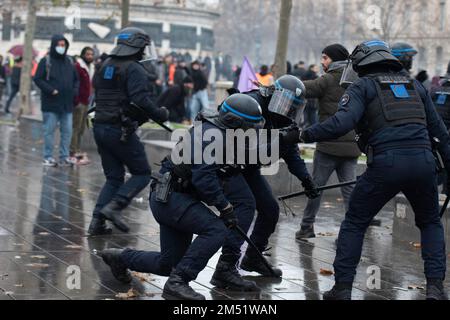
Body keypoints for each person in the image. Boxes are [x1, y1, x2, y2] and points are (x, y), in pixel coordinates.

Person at [294, 40, 449, 300]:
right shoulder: (416, 86)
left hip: (386, 165)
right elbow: (441, 134)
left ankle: (342, 289)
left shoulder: (363, 86)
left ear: (363, 62)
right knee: (430, 223)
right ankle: (435, 287)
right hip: (423, 164)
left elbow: (340, 123)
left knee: (355, 222)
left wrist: (303, 134)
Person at [99, 94, 265, 300]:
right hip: (171, 198)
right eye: (248, 128)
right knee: (216, 230)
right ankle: (178, 283)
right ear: (235, 123)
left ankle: (120, 257)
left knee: (168, 264)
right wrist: (225, 208)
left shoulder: (221, 132)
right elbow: (204, 178)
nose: (250, 133)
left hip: (172, 197)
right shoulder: (212, 136)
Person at [211, 75, 319, 283]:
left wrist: (306, 180)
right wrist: (280, 141)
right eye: (286, 103)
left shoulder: (285, 119)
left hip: (248, 168)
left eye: (293, 107)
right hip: (227, 164)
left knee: (270, 209)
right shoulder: (251, 104)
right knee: (245, 205)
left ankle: (253, 258)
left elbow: (290, 150)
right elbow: (246, 150)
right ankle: (225, 267)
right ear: (273, 93)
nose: (287, 110)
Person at [87, 27, 169, 236]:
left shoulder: (105, 64)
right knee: (141, 173)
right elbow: (140, 99)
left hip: (100, 126)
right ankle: (115, 207)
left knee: (114, 177)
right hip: (119, 129)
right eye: (142, 47)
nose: (143, 52)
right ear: (136, 47)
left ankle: (97, 223)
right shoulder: (133, 68)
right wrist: (160, 113)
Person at [295, 44, 361, 240]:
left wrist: (281, 84)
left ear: (334, 59)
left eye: (325, 58)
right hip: (351, 148)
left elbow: (305, 88)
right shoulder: (356, 79)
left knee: (316, 188)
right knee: (350, 190)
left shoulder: (329, 78)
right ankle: (354, 229)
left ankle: (307, 227)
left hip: (328, 147)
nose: (322, 62)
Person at [34, 35, 79, 167]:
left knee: (67, 131)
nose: (61, 47)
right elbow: (38, 79)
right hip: (51, 104)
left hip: (67, 104)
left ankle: (64, 156)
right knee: (49, 131)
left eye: (63, 45)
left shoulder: (69, 61)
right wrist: (51, 90)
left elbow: (76, 80)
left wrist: (74, 91)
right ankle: (47, 156)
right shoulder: (45, 61)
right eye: (59, 44)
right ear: (54, 45)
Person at [70, 47, 95, 165]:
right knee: (76, 127)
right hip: (79, 101)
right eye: (88, 54)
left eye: (91, 54)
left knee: (81, 128)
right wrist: (75, 100)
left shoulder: (91, 67)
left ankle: (77, 149)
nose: (90, 56)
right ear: (83, 55)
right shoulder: (78, 67)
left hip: (87, 101)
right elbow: (74, 83)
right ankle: (72, 150)